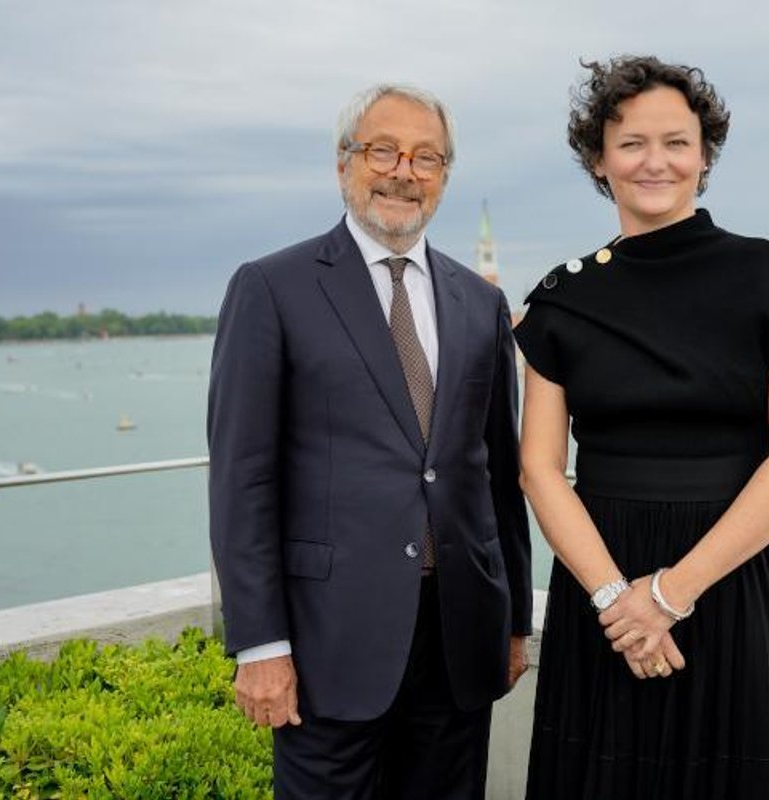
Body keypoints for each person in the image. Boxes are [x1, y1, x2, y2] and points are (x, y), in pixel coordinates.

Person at [208, 83, 532, 800]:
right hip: (329, 644)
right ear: (344, 163)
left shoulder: (480, 303)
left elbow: (495, 474)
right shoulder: (271, 288)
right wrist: (260, 644)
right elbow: (242, 481)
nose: (403, 173)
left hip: (458, 641)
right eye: (383, 151)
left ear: (444, 175)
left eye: (426, 157)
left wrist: (514, 621)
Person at [514, 56, 769, 798]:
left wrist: (667, 596)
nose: (655, 161)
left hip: (732, 577)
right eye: (631, 143)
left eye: (676, 142)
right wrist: (615, 601)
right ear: (599, 160)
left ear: (704, 155)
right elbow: (539, 469)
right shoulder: (561, 301)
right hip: (603, 581)